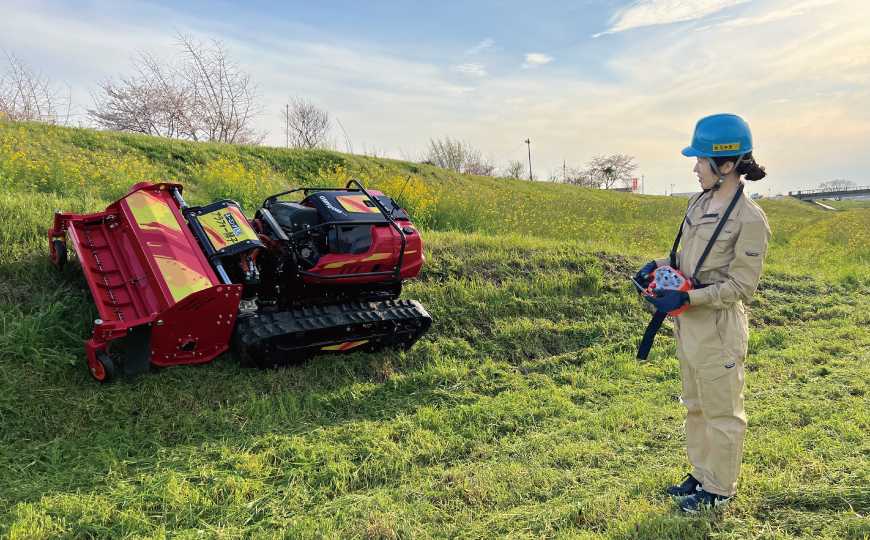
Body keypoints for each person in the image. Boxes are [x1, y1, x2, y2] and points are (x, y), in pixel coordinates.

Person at [633, 114, 771, 513]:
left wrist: (687, 300)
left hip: (717, 328)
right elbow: (684, 257)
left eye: (700, 161)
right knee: (695, 405)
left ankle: (721, 490)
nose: (694, 168)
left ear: (726, 165)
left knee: (722, 412)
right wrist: (657, 265)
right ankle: (702, 475)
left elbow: (741, 287)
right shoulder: (698, 200)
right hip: (687, 326)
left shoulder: (750, 220)